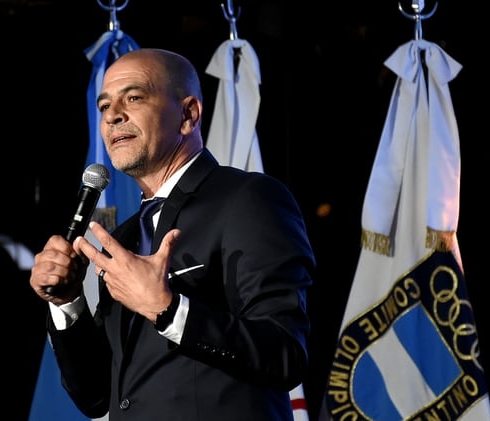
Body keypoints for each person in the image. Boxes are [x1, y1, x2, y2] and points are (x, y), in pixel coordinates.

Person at [29, 48, 315, 420]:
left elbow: (286, 355)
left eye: (133, 97)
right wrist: (68, 303)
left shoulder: (248, 199)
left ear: (188, 114)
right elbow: (98, 396)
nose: (113, 115)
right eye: (103, 106)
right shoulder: (127, 235)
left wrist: (167, 308)